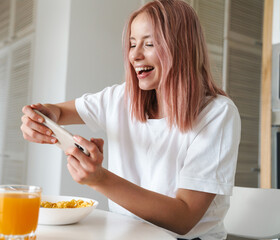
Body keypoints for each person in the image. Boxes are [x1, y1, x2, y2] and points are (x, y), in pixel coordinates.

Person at [20, 0, 241, 239]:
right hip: (124, 233)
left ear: (182, 47)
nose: (134, 55)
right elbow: (58, 112)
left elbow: (184, 217)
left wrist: (99, 179)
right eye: (132, 44)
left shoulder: (217, 114)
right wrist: (42, 116)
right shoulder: (121, 97)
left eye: (149, 44)